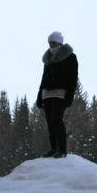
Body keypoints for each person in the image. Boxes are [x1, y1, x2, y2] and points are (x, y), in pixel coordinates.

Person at [36, 30, 78, 158]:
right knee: (50, 122)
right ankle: (54, 148)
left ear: (59, 42)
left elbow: (73, 77)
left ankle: (62, 150)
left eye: (53, 42)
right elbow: (43, 79)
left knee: (56, 120)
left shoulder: (70, 57)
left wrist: (70, 96)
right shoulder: (48, 59)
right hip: (47, 93)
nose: (51, 44)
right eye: (50, 42)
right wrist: (39, 96)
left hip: (60, 93)